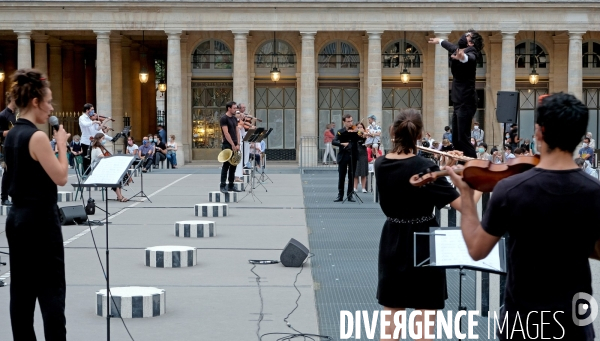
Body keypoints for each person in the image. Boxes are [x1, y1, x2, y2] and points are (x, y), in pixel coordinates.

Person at [446, 92, 600, 340]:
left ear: (539, 133)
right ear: (581, 136)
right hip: (574, 322)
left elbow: (476, 248)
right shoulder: (595, 193)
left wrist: (466, 196)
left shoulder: (510, 189)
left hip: (523, 321)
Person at [375, 108, 479, 340]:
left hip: (393, 238)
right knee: (424, 319)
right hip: (424, 240)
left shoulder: (381, 164)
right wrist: (479, 181)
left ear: (393, 131)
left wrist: (442, 168)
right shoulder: (424, 168)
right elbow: (465, 205)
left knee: (392, 315)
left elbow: (407, 178)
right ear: (420, 135)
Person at [4, 69, 69, 340]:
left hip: (17, 218)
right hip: (41, 221)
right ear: (35, 101)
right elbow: (61, 176)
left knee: (21, 290)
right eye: (49, 101)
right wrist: (62, 145)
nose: (51, 108)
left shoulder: (11, 135)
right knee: (51, 291)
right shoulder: (38, 137)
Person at [429, 29, 483, 158]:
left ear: (471, 43)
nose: (464, 36)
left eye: (467, 36)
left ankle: (472, 165)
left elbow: (469, 59)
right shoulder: (459, 50)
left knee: (463, 138)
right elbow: (452, 47)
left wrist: (462, 58)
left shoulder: (472, 53)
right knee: (456, 139)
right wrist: (440, 41)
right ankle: (461, 163)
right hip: (459, 101)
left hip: (466, 101)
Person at [90, 133, 128, 202]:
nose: (104, 140)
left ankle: (119, 196)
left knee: (117, 175)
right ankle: (120, 196)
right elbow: (104, 157)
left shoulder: (100, 147)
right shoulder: (96, 148)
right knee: (114, 177)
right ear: (98, 139)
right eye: (103, 139)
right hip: (97, 170)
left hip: (101, 168)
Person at [332, 114, 361, 202]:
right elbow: (334, 141)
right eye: (348, 121)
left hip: (353, 155)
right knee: (341, 176)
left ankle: (350, 195)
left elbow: (362, 140)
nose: (350, 123)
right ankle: (340, 195)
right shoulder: (340, 132)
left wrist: (362, 134)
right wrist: (342, 143)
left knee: (351, 176)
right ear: (344, 122)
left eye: (351, 121)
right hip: (343, 155)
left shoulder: (356, 130)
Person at [220, 101, 241, 193]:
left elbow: (237, 131)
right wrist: (232, 144)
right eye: (234, 108)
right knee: (226, 165)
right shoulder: (224, 118)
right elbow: (226, 133)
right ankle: (223, 185)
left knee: (234, 165)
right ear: (229, 108)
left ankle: (231, 185)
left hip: (235, 144)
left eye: (236, 108)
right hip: (227, 144)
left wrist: (238, 144)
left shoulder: (234, 118)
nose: (235, 110)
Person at [0, 92, 17, 206]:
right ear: (11, 99)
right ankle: (4, 197)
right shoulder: (3, 115)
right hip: (8, 145)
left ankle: (15, 195)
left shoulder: (17, 114)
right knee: (8, 172)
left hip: (18, 144)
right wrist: (8, 132)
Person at [79, 103, 103, 172]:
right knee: (86, 159)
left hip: (91, 141)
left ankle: (90, 173)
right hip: (85, 141)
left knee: (91, 158)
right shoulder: (82, 118)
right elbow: (85, 124)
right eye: (92, 109)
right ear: (87, 110)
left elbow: (97, 129)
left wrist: (100, 123)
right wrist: (94, 122)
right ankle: (85, 174)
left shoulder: (90, 119)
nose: (93, 111)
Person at [353, 122, 368, 193]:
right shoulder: (354, 135)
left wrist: (365, 135)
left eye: (361, 127)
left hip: (363, 153)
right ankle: (355, 187)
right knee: (356, 172)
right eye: (358, 127)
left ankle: (363, 188)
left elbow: (368, 145)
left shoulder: (365, 135)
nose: (359, 128)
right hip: (356, 153)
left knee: (363, 172)